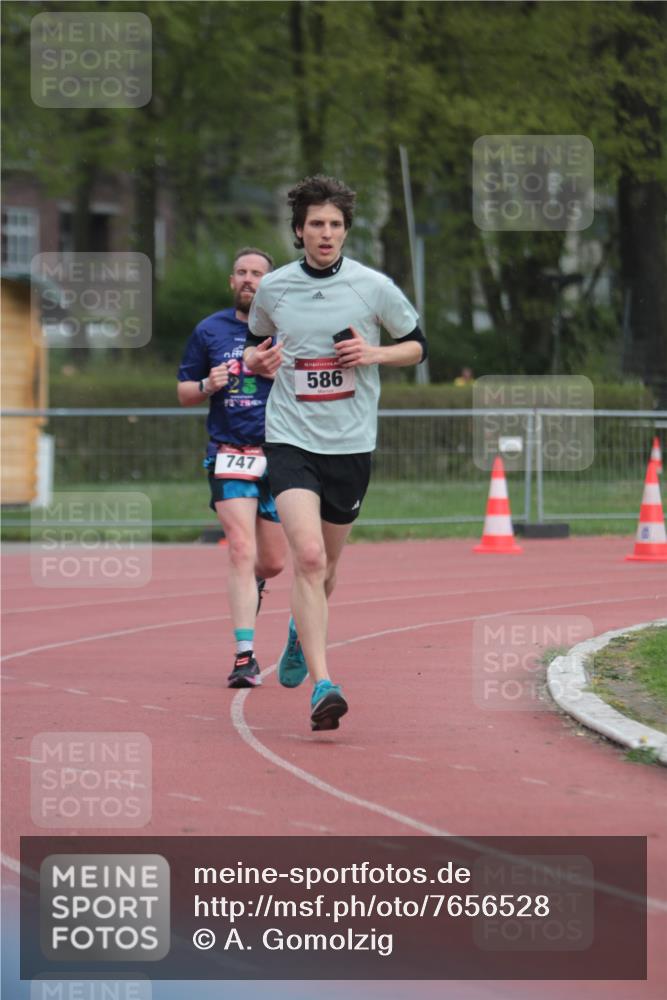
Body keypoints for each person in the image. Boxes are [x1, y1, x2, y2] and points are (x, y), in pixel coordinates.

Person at [244, 176, 427, 731]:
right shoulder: (274, 289)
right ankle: (325, 684)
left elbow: (418, 346)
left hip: (350, 444)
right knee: (309, 559)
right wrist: (258, 363)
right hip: (290, 438)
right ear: (299, 231)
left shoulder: (372, 287)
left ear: (346, 230)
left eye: (335, 225)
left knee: (327, 567)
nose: (326, 233)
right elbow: (255, 344)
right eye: (316, 224)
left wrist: (372, 352)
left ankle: (303, 630)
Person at [177, 247, 286, 688]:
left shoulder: (289, 330)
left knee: (273, 563)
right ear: (231, 281)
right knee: (240, 549)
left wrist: (286, 378)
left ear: (270, 284)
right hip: (229, 452)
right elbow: (184, 390)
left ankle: (254, 585)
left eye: (257, 273)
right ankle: (245, 656)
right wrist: (207, 384)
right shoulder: (209, 330)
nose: (248, 279)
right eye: (241, 272)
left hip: (281, 455)